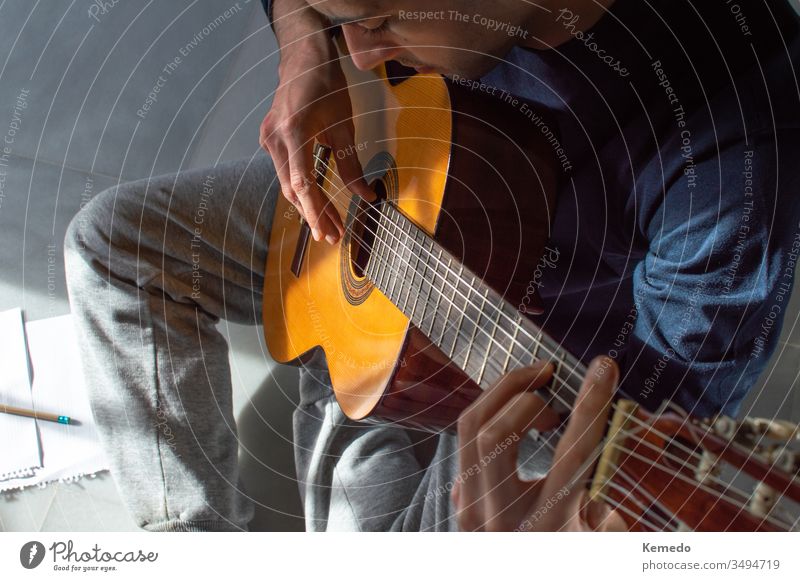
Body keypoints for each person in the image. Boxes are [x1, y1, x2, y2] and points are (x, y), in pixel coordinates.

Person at [64, 0, 800, 532]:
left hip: (523, 354)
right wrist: (302, 45)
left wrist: (562, 532)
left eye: (380, 18)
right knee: (112, 245)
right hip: (378, 178)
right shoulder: (375, 36)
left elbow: (661, 420)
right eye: (340, 17)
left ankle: (357, 388)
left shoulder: (733, 158)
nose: (358, 51)